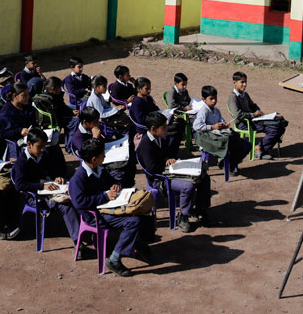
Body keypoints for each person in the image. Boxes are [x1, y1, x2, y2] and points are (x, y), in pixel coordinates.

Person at [69, 137, 151, 277]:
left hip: (110, 207)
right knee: (133, 221)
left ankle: (139, 245)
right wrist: (105, 197)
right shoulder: (79, 178)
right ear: (94, 159)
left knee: (142, 211)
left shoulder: (99, 168)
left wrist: (115, 185)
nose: (105, 156)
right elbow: (79, 202)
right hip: (96, 215)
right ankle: (114, 260)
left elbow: (111, 181)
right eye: (102, 154)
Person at [137, 111, 211, 232]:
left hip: (170, 170)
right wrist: (166, 164)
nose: (166, 129)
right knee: (188, 186)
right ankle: (183, 215)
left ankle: (200, 209)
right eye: (163, 127)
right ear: (153, 129)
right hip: (160, 178)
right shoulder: (146, 144)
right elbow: (151, 169)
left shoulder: (159, 137)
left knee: (204, 177)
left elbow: (165, 154)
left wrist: (168, 159)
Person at [12, 127, 80, 242]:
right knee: (65, 205)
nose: (43, 150)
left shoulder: (42, 156)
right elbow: (20, 185)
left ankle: (83, 232)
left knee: (77, 197)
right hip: (34, 197)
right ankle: (78, 240)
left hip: (50, 190)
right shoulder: (21, 163)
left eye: (44, 146)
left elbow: (52, 172)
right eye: (39, 147)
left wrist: (57, 178)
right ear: (29, 144)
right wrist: (42, 186)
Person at [227, 71, 288, 159]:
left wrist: (258, 111)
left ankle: (262, 149)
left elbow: (253, 106)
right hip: (244, 124)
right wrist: (253, 114)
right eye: (242, 82)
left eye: (245, 82)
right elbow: (237, 114)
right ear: (234, 83)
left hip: (254, 120)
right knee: (274, 127)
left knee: (280, 123)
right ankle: (259, 149)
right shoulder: (233, 97)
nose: (244, 85)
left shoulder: (245, 94)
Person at [192, 85, 246, 174]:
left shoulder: (216, 110)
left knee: (238, 140)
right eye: (211, 98)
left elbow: (221, 120)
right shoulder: (203, 111)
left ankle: (230, 163)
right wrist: (212, 127)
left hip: (216, 135)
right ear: (203, 99)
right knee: (228, 141)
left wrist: (224, 125)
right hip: (206, 137)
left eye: (215, 98)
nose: (214, 101)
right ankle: (225, 163)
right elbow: (196, 126)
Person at [0, 83, 36, 159]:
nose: (27, 97)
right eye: (24, 95)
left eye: (28, 94)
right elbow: (2, 134)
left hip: (29, 138)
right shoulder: (6, 113)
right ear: (15, 96)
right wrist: (19, 131)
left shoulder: (28, 108)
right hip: (14, 145)